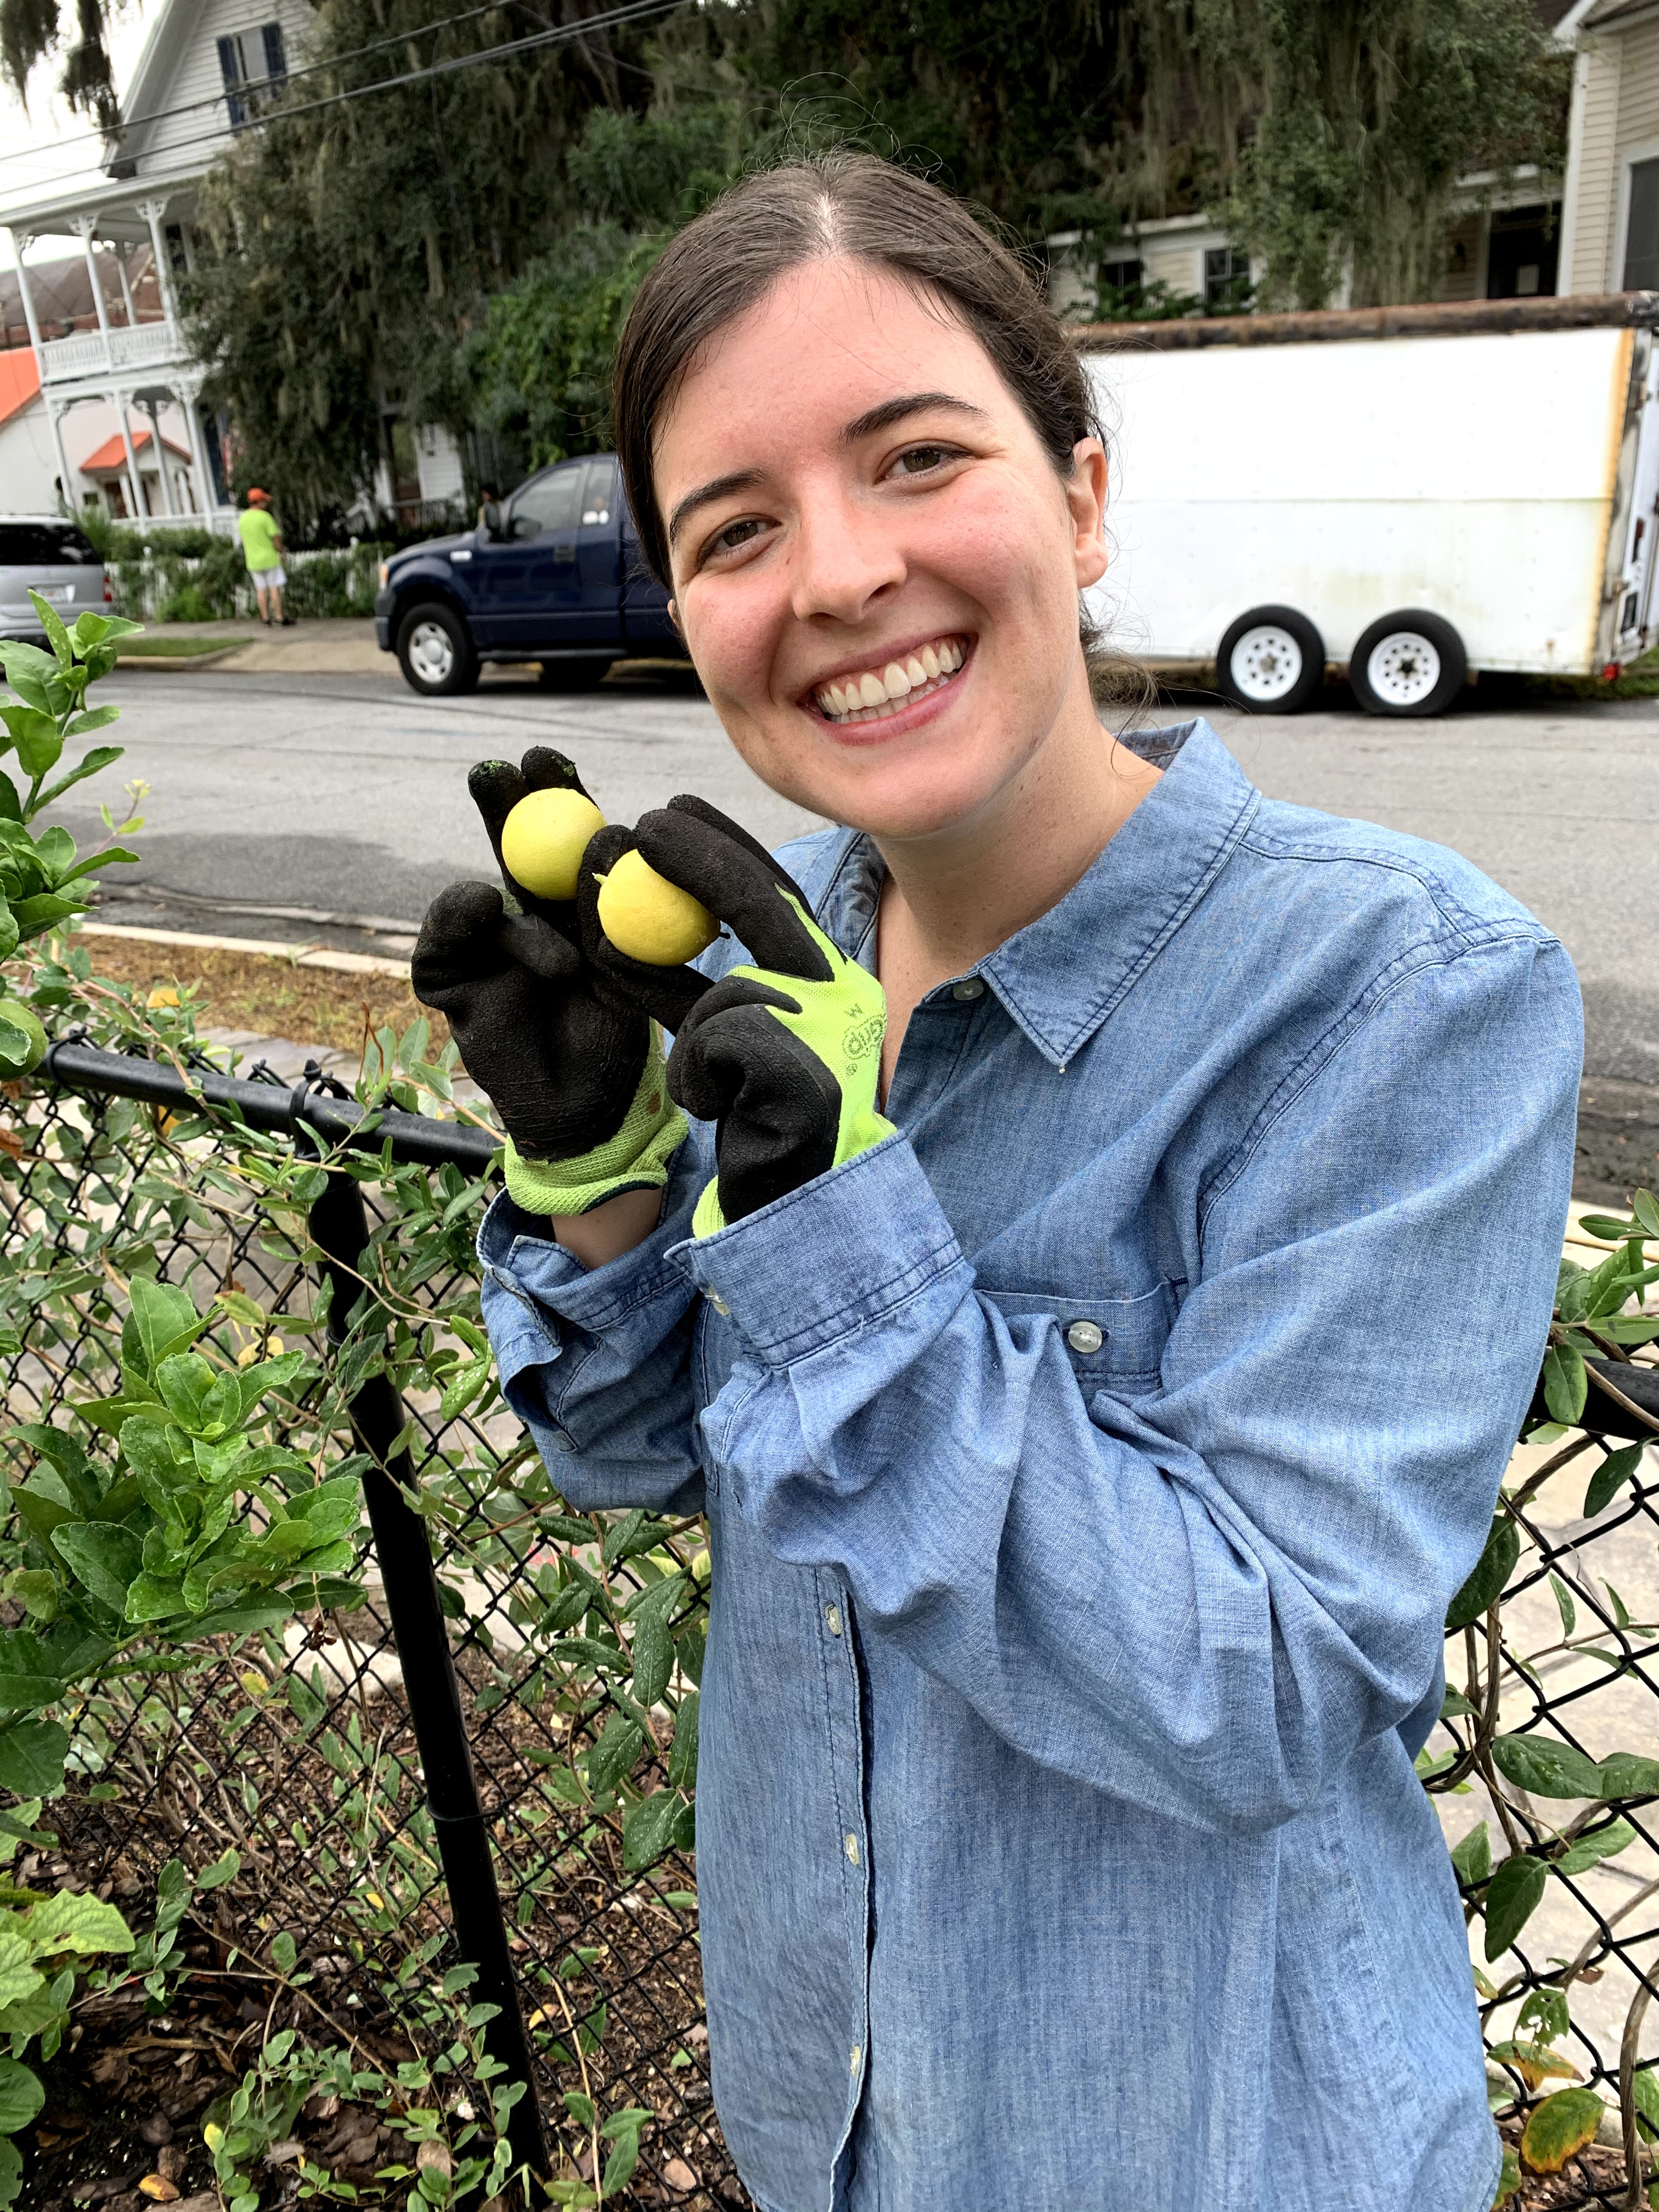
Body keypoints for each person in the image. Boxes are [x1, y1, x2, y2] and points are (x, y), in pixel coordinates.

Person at [413, 155, 1582, 2212]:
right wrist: (594, 1168)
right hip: (840, 2107)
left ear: (1080, 493)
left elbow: (1262, 1683)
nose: (838, 573)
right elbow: (637, 1448)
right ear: (683, 609)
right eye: (735, 528)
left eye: (913, 457)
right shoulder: (767, 956)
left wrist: (827, 1226)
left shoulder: (1398, 994)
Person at [236, 487, 291, 624]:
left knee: (260, 589)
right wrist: (282, 553)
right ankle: (279, 617)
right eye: (264, 501)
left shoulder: (243, 519)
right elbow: (276, 538)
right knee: (274, 587)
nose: (266, 504)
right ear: (259, 501)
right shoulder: (265, 517)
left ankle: (265, 618)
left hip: (253, 561)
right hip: (269, 559)